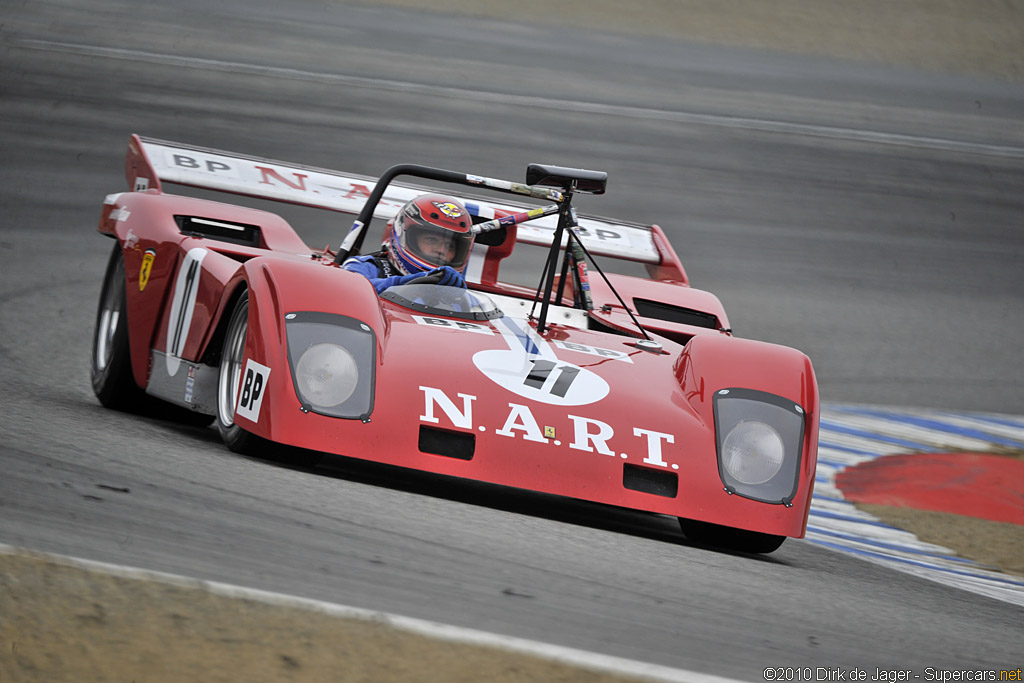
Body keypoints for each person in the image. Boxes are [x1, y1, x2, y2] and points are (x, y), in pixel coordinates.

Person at [342, 193, 475, 294]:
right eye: (431, 240)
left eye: (449, 246)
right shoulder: (364, 266)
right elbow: (350, 290)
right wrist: (407, 282)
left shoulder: (456, 292)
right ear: (402, 233)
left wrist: (461, 296)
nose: (441, 250)